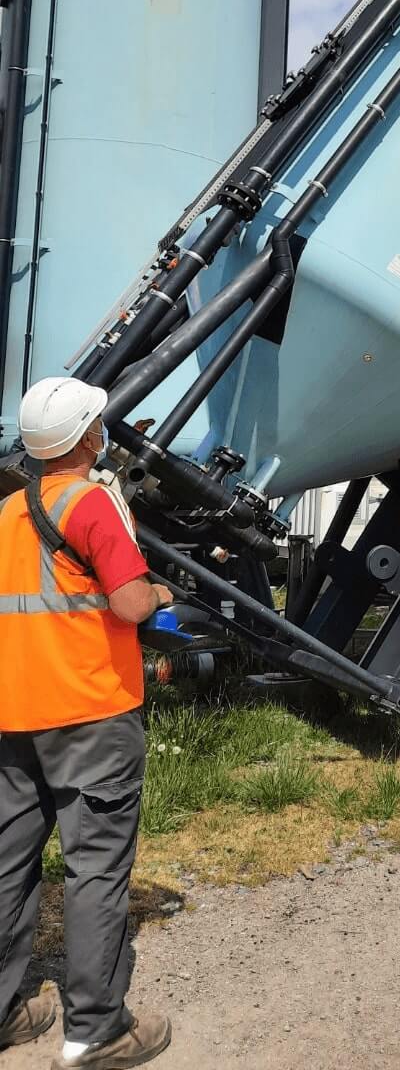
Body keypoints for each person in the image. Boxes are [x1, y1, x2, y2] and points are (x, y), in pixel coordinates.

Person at [0, 377, 173, 1069]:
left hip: (15, 715)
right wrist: (159, 590)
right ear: (86, 438)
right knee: (96, 868)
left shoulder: (8, 511)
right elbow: (131, 605)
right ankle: (96, 1031)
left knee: (9, 864)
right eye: (98, 423)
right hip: (92, 713)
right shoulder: (91, 503)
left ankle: (8, 1011)